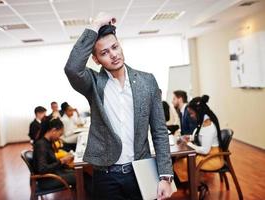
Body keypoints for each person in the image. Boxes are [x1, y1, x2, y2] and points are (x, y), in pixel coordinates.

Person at [65, 12, 173, 200]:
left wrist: (165, 175)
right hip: (106, 176)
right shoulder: (94, 83)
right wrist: (96, 24)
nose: (113, 55)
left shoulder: (147, 82)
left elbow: (160, 131)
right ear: (96, 59)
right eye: (104, 53)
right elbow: (72, 68)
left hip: (141, 171)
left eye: (115, 47)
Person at [173, 95, 224, 183]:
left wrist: (189, 143)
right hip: (208, 155)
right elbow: (200, 136)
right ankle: (189, 183)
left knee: (183, 162)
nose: (191, 116)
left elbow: (205, 150)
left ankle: (193, 186)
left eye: (192, 113)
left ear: (199, 112)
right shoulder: (203, 122)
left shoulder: (208, 127)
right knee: (180, 159)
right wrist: (189, 137)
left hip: (211, 158)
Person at [33, 118, 76, 190]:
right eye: (60, 134)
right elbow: (42, 169)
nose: (60, 137)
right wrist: (61, 161)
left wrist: (64, 162)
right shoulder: (41, 145)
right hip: (47, 180)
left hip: (54, 174)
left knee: (79, 172)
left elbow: (51, 162)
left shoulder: (47, 142)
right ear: (53, 131)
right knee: (81, 175)